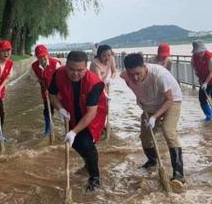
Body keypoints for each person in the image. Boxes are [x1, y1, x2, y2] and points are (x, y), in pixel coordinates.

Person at [49, 50, 108, 192]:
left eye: (80, 70)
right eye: (71, 70)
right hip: (70, 109)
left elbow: (91, 113)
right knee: (74, 143)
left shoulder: (94, 83)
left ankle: (95, 178)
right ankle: (88, 164)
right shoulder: (58, 74)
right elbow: (52, 94)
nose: (75, 74)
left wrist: (74, 131)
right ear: (66, 65)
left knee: (87, 144)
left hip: (93, 113)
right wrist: (60, 109)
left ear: (86, 68)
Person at [121, 53, 185, 182]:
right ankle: (153, 161)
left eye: (138, 73)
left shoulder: (160, 76)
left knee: (168, 131)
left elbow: (169, 99)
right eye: (131, 74)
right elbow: (136, 90)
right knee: (145, 136)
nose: (135, 77)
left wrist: (155, 117)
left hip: (171, 101)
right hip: (149, 104)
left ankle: (179, 174)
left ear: (144, 67)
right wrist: (143, 104)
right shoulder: (125, 76)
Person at [31, 45, 62, 136]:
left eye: (44, 56)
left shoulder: (55, 63)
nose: (42, 58)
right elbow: (35, 78)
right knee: (47, 110)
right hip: (45, 90)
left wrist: (56, 91)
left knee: (63, 108)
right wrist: (40, 81)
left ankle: (67, 126)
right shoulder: (34, 66)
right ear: (37, 57)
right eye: (40, 57)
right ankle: (48, 129)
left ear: (47, 54)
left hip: (58, 90)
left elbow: (61, 78)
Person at [191, 40, 212, 122]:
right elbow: (194, 66)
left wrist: (206, 83)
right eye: (198, 52)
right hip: (203, 78)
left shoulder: (210, 58)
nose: (199, 54)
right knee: (202, 98)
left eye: (201, 52)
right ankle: (209, 116)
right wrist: (198, 74)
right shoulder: (194, 57)